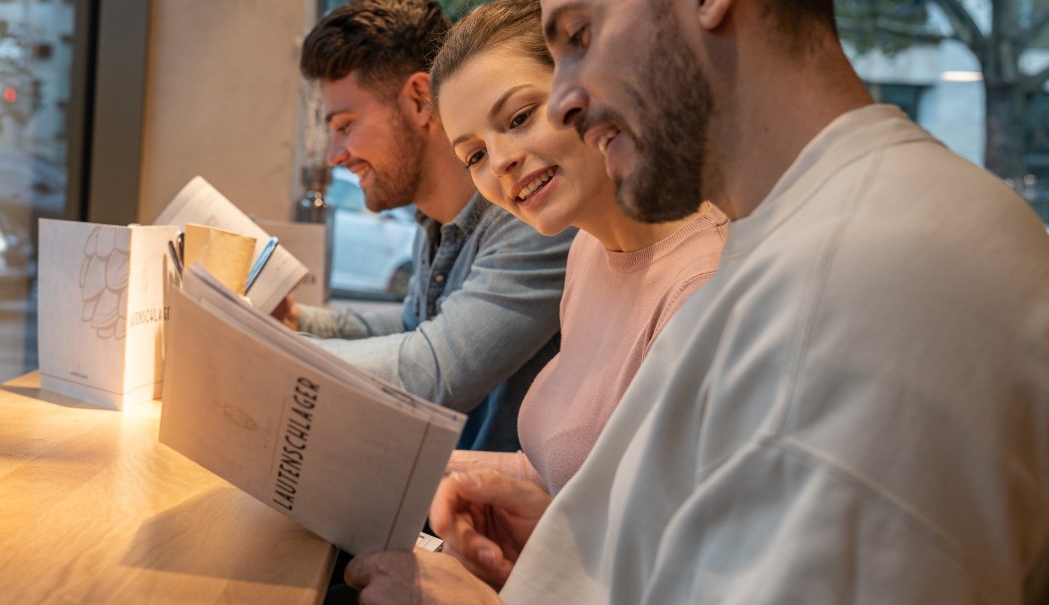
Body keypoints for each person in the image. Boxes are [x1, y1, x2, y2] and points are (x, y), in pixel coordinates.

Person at [344, 0, 1049, 602]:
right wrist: (569, 531)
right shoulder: (785, 234)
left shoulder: (866, 276)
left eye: (581, 37)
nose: (566, 101)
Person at [427, 0, 726, 497]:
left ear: (580, 88)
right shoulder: (586, 249)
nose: (500, 162)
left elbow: (655, 548)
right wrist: (416, 469)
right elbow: (562, 477)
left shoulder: (699, 287)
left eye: (520, 117)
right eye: (474, 155)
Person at [281, 0, 575, 452]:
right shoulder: (439, 221)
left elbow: (430, 371)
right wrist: (299, 320)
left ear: (420, 99)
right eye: (476, 153)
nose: (335, 155)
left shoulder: (533, 214)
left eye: (345, 125)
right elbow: (412, 326)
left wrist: (261, 351)